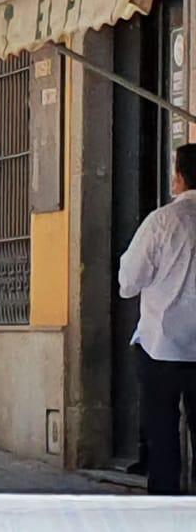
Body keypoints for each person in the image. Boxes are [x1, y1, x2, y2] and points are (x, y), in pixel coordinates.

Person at [117, 143, 196, 495]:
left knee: (162, 435)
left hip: (161, 345)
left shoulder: (162, 221)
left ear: (178, 176)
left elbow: (128, 283)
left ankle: (166, 513)